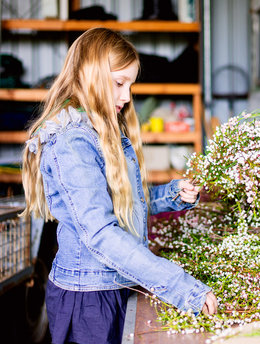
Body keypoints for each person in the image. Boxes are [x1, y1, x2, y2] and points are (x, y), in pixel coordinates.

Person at [21, 27, 217, 344]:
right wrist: (178, 285)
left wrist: (171, 194)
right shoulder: (73, 144)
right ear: (90, 76)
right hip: (88, 300)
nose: (126, 97)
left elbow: (120, 203)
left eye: (130, 85)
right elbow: (100, 232)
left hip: (113, 285)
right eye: (118, 83)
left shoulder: (103, 132)